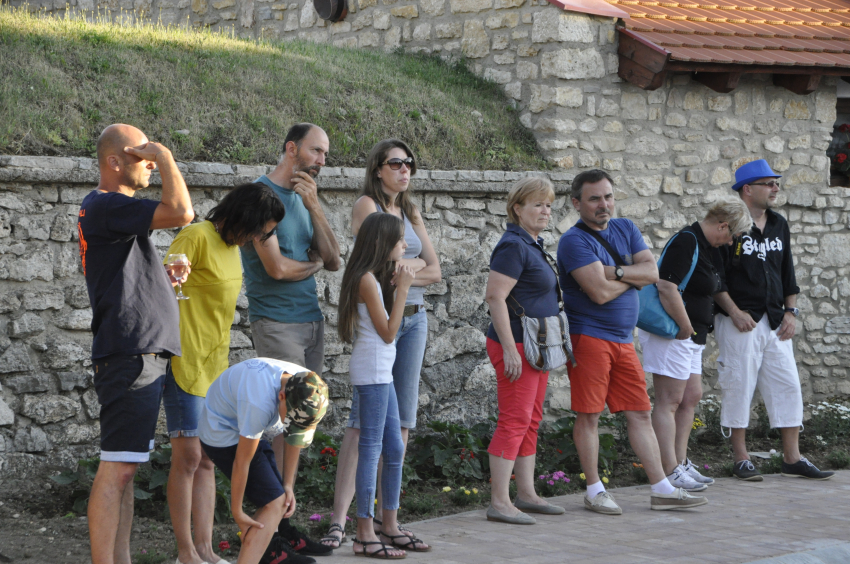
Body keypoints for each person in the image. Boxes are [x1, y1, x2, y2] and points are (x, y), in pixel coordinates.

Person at [557, 169, 707, 514]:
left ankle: (661, 488)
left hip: (624, 341)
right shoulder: (574, 241)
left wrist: (614, 272)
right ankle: (594, 490)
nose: (603, 204)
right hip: (589, 338)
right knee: (589, 415)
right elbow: (597, 293)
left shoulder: (625, 228)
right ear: (577, 202)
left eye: (608, 196)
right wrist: (630, 276)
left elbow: (653, 272)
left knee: (640, 413)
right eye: (594, 198)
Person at [78, 124, 194, 564]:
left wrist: (160, 282)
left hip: (139, 351)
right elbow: (182, 211)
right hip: (129, 353)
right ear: (114, 163)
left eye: (150, 154)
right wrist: (165, 156)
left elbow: (119, 277)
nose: (148, 161)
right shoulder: (106, 204)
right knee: (118, 468)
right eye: (140, 154)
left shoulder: (109, 211)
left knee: (125, 466)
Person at [322, 139, 439, 549]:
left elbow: (434, 269)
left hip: (404, 327)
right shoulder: (368, 213)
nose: (405, 169)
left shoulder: (407, 211)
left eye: (410, 163)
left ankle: (387, 523)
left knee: (396, 434)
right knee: (368, 436)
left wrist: (405, 276)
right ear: (377, 168)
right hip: (379, 348)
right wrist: (406, 278)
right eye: (396, 163)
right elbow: (386, 284)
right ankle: (356, 527)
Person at [162, 183, 286, 564]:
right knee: (187, 459)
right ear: (243, 217)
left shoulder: (233, 250)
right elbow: (164, 287)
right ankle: (186, 552)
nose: (259, 238)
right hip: (184, 362)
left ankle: (205, 549)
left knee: (207, 460)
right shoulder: (195, 235)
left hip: (215, 369)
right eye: (259, 229)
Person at [239, 123, 341, 556]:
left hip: (311, 321)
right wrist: (312, 264)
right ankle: (269, 533)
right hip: (276, 322)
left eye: (325, 155)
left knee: (299, 423)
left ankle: (282, 527)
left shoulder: (306, 198)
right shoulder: (260, 198)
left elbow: (334, 259)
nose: (321, 161)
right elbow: (277, 269)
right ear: (290, 148)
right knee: (282, 423)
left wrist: (315, 208)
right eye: (316, 151)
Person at [713, 159, 834, 481]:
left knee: (788, 385)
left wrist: (791, 312)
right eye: (769, 183)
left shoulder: (779, 223)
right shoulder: (728, 225)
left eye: (776, 182)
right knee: (738, 385)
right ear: (748, 189)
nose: (776, 188)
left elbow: (787, 272)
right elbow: (714, 278)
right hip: (740, 320)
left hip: (775, 319)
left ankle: (792, 457)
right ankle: (741, 458)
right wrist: (734, 312)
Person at [639, 197, 752, 492]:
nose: (730, 243)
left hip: (692, 335)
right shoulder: (687, 240)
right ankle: (668, 469)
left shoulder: (709, 247)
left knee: (691, 396)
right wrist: (686, 325)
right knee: (670, 400)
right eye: (732, 235)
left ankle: (681, 461)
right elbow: (666, 285)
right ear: (723, 225)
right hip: (674, 332)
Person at [336, 212, 424, 558]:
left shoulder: (376, 277)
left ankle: (390, 525)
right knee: (371, 448)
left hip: (381, 372)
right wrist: (403, 290)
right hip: (372, 370)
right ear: (381, 243)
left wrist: (398, 284)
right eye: (400, 239)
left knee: (395, 448)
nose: (405, 245)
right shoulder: (366, 280)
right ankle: (363, 533)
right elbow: (388, 334)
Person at [482, 176, 566, 525]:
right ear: (517, 209)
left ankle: (527, 493)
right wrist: (510, 350)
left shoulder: (532, 243)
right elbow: (494, 297)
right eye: (537, 204)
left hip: (535, 344)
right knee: (515, 420)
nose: (545, 210)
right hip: (517, 344)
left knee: (530, 419)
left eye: (548, 204)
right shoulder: (513, 246)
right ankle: (499, 501)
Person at [198, 359, 329, 564]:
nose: (292, 425)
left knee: (278, 500)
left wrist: (288, 484)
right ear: (281, 396)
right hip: (221, 433)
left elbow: (294, 437)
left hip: (246, 426)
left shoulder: (310, 387)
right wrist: (237, 511)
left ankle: (264, 553)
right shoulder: (258, 403)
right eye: (291, 420)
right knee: (273, 503)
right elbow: (242, 462)